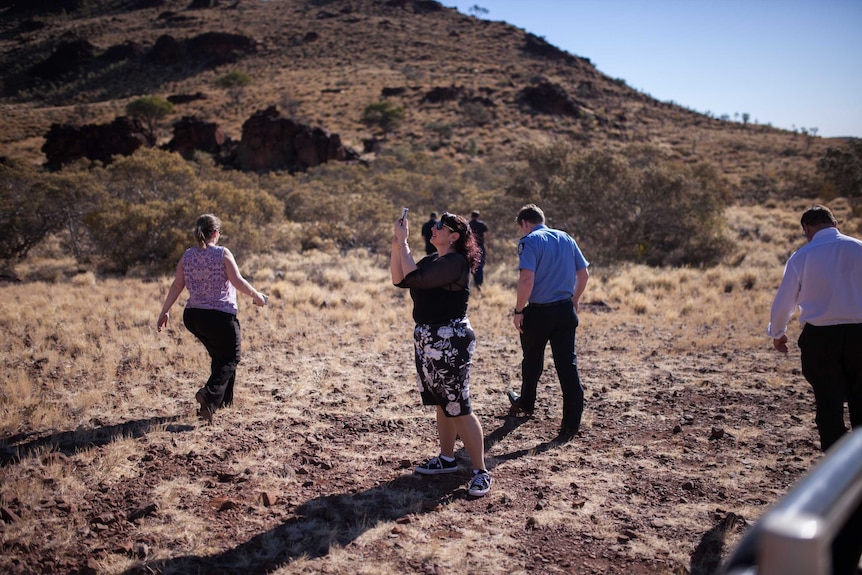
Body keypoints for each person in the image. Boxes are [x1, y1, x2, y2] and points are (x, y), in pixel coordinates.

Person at [391, 210, 492, 497]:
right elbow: (401, 279)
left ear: (454, 236)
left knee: (458, 405)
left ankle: (481, 472)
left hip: (451, 339)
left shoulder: (455, 262)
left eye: (439, 227)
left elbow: (411, 274)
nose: (433, 229)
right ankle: (446, 459)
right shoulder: (433, 260)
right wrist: (396, 244)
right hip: (428, 337)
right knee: (441, 400)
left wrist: (405, 244)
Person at [767, 204, 862, 452]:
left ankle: (836, 473)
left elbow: (783, 303)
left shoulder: (802, 256)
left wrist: (778, 334)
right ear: (834, 224)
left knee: (829, 406)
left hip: (821, 339)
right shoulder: (858, 248)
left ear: (807, 228)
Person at [158, 214, 268, 424]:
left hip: (193, 317)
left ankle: (222, 403)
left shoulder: (187, 255)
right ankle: (208, 396)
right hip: (219, 316)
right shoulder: (222, 253)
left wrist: (164, 311)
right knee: (231, 358)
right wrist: (258, 297)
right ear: (216, 233)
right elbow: (238, 281)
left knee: (220, 356)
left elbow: (176, 285)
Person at [508, 203, 589, 439]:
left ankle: (526, 402)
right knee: (567, 367)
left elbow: (526, 279)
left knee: (532, 360)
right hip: (565, 311)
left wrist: (518, 310)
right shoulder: (566, 238)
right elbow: (583, 274)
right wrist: (574, 300)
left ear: (524, 223)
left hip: (539, 312)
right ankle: (571, 424)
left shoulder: (530, 241)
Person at [468, 210, 490, 290]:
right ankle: (479, 283)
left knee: (472, 264)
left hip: (471, 247)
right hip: (480, 246)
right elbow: (487, 234)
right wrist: (489, 243)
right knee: (480, 264)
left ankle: (473, 283)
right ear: (478, 216)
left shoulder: (468, 224)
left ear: (471, 216)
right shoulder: (481, 224)